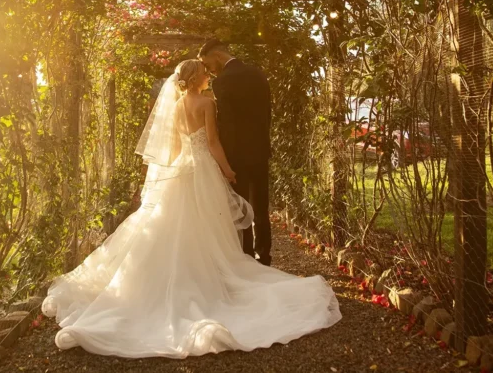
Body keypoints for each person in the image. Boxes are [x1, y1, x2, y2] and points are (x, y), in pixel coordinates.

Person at [41, 59, 340, 358]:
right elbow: (212, 142)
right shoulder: (207, 103)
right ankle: (208, 277)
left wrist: (165, 176)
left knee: (174, 225)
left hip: (180, 171)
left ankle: (178, 277)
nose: (210, 76)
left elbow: (170, 150)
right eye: (205, 73)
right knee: (206, 225)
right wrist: (227, 171)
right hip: (203, 171)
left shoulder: (173, 106)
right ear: (197, 78)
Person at [198, 39, 273, 266]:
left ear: (217, 56)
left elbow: (228, 125)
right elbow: (267, 114)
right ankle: (265, 257)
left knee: (241, 208)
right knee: (261, 206)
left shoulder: (222, 82)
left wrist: (224, 162)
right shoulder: (258, 74)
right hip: (260, 151)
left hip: (237, 155)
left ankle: (247, 257)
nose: (208, 70)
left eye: (207, 63)